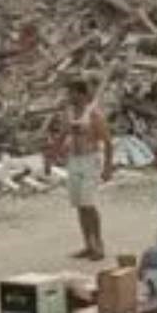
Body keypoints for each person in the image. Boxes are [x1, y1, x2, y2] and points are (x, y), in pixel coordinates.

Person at [47, 78, 112, 261]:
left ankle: (98, 244)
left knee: (88, 204)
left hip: (89, 160)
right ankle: (87, 244)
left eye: (72, 93)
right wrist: (51, 156)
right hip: (74, 160)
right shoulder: (69, 113)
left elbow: (107, 141)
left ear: (81, 94)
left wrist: (107, 167)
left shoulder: (94, 114)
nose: (69, 96)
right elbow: (62, 135)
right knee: (79, 206)